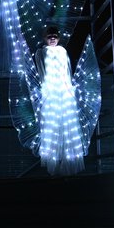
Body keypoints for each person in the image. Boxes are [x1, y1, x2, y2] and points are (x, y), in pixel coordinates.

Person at [34, 26, 86, 176]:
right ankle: (54, 163)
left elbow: (67, 70)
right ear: (44, 38)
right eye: (49, 36)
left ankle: (67, 163)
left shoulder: (63, 51)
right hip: (50, 93)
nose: (52, 38)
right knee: (52, 126)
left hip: (64, 93)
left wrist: (68, 89)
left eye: (55, 36)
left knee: (67, 126)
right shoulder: (41, 52)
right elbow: (41, 72)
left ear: (59, 38)